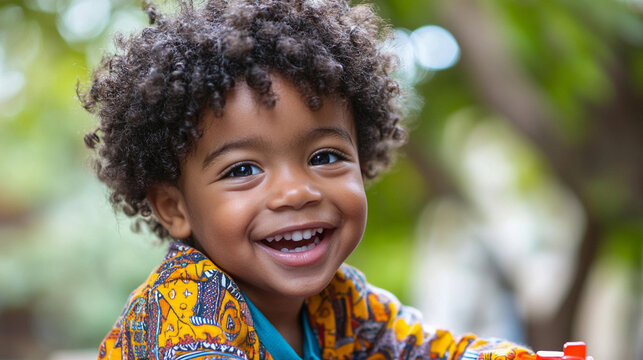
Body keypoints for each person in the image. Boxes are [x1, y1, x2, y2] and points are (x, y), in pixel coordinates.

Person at [81, 0, 533, 359]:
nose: (296, 191)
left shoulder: (342, 303)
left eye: (324, 156)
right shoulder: (183, 314)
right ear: (174, 208)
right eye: (243, 170)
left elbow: (428, 350)